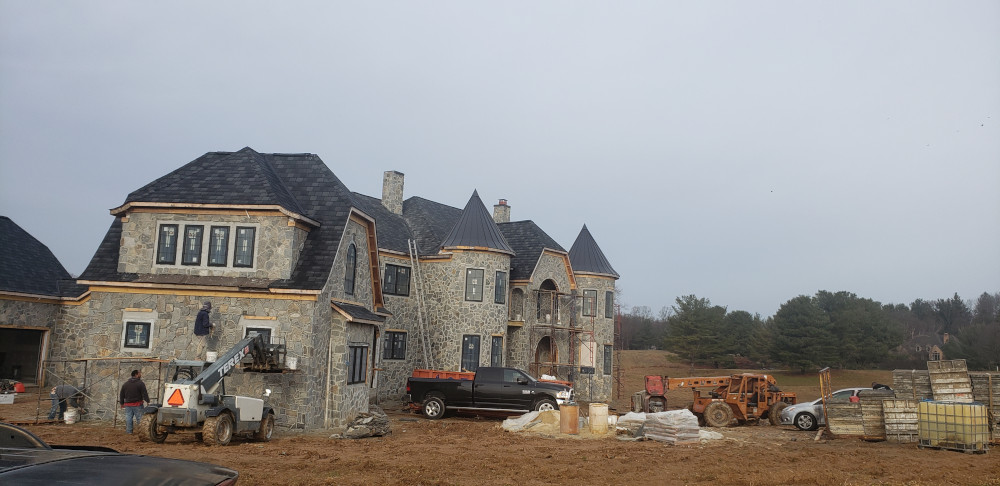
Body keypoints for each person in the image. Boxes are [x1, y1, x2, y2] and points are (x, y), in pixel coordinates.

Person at [119, 369, 150, 434]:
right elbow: (144, 393)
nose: (140, 374)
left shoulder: (125, 384)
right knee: (140, 419)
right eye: (139, 373)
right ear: (136, 374)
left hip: (128, 404)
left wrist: (122, 403)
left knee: (128, 418)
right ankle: (141, 432)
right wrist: (147, 401)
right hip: (137, 404)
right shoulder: (140, 383)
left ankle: (129, 432)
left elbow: (121, 394)